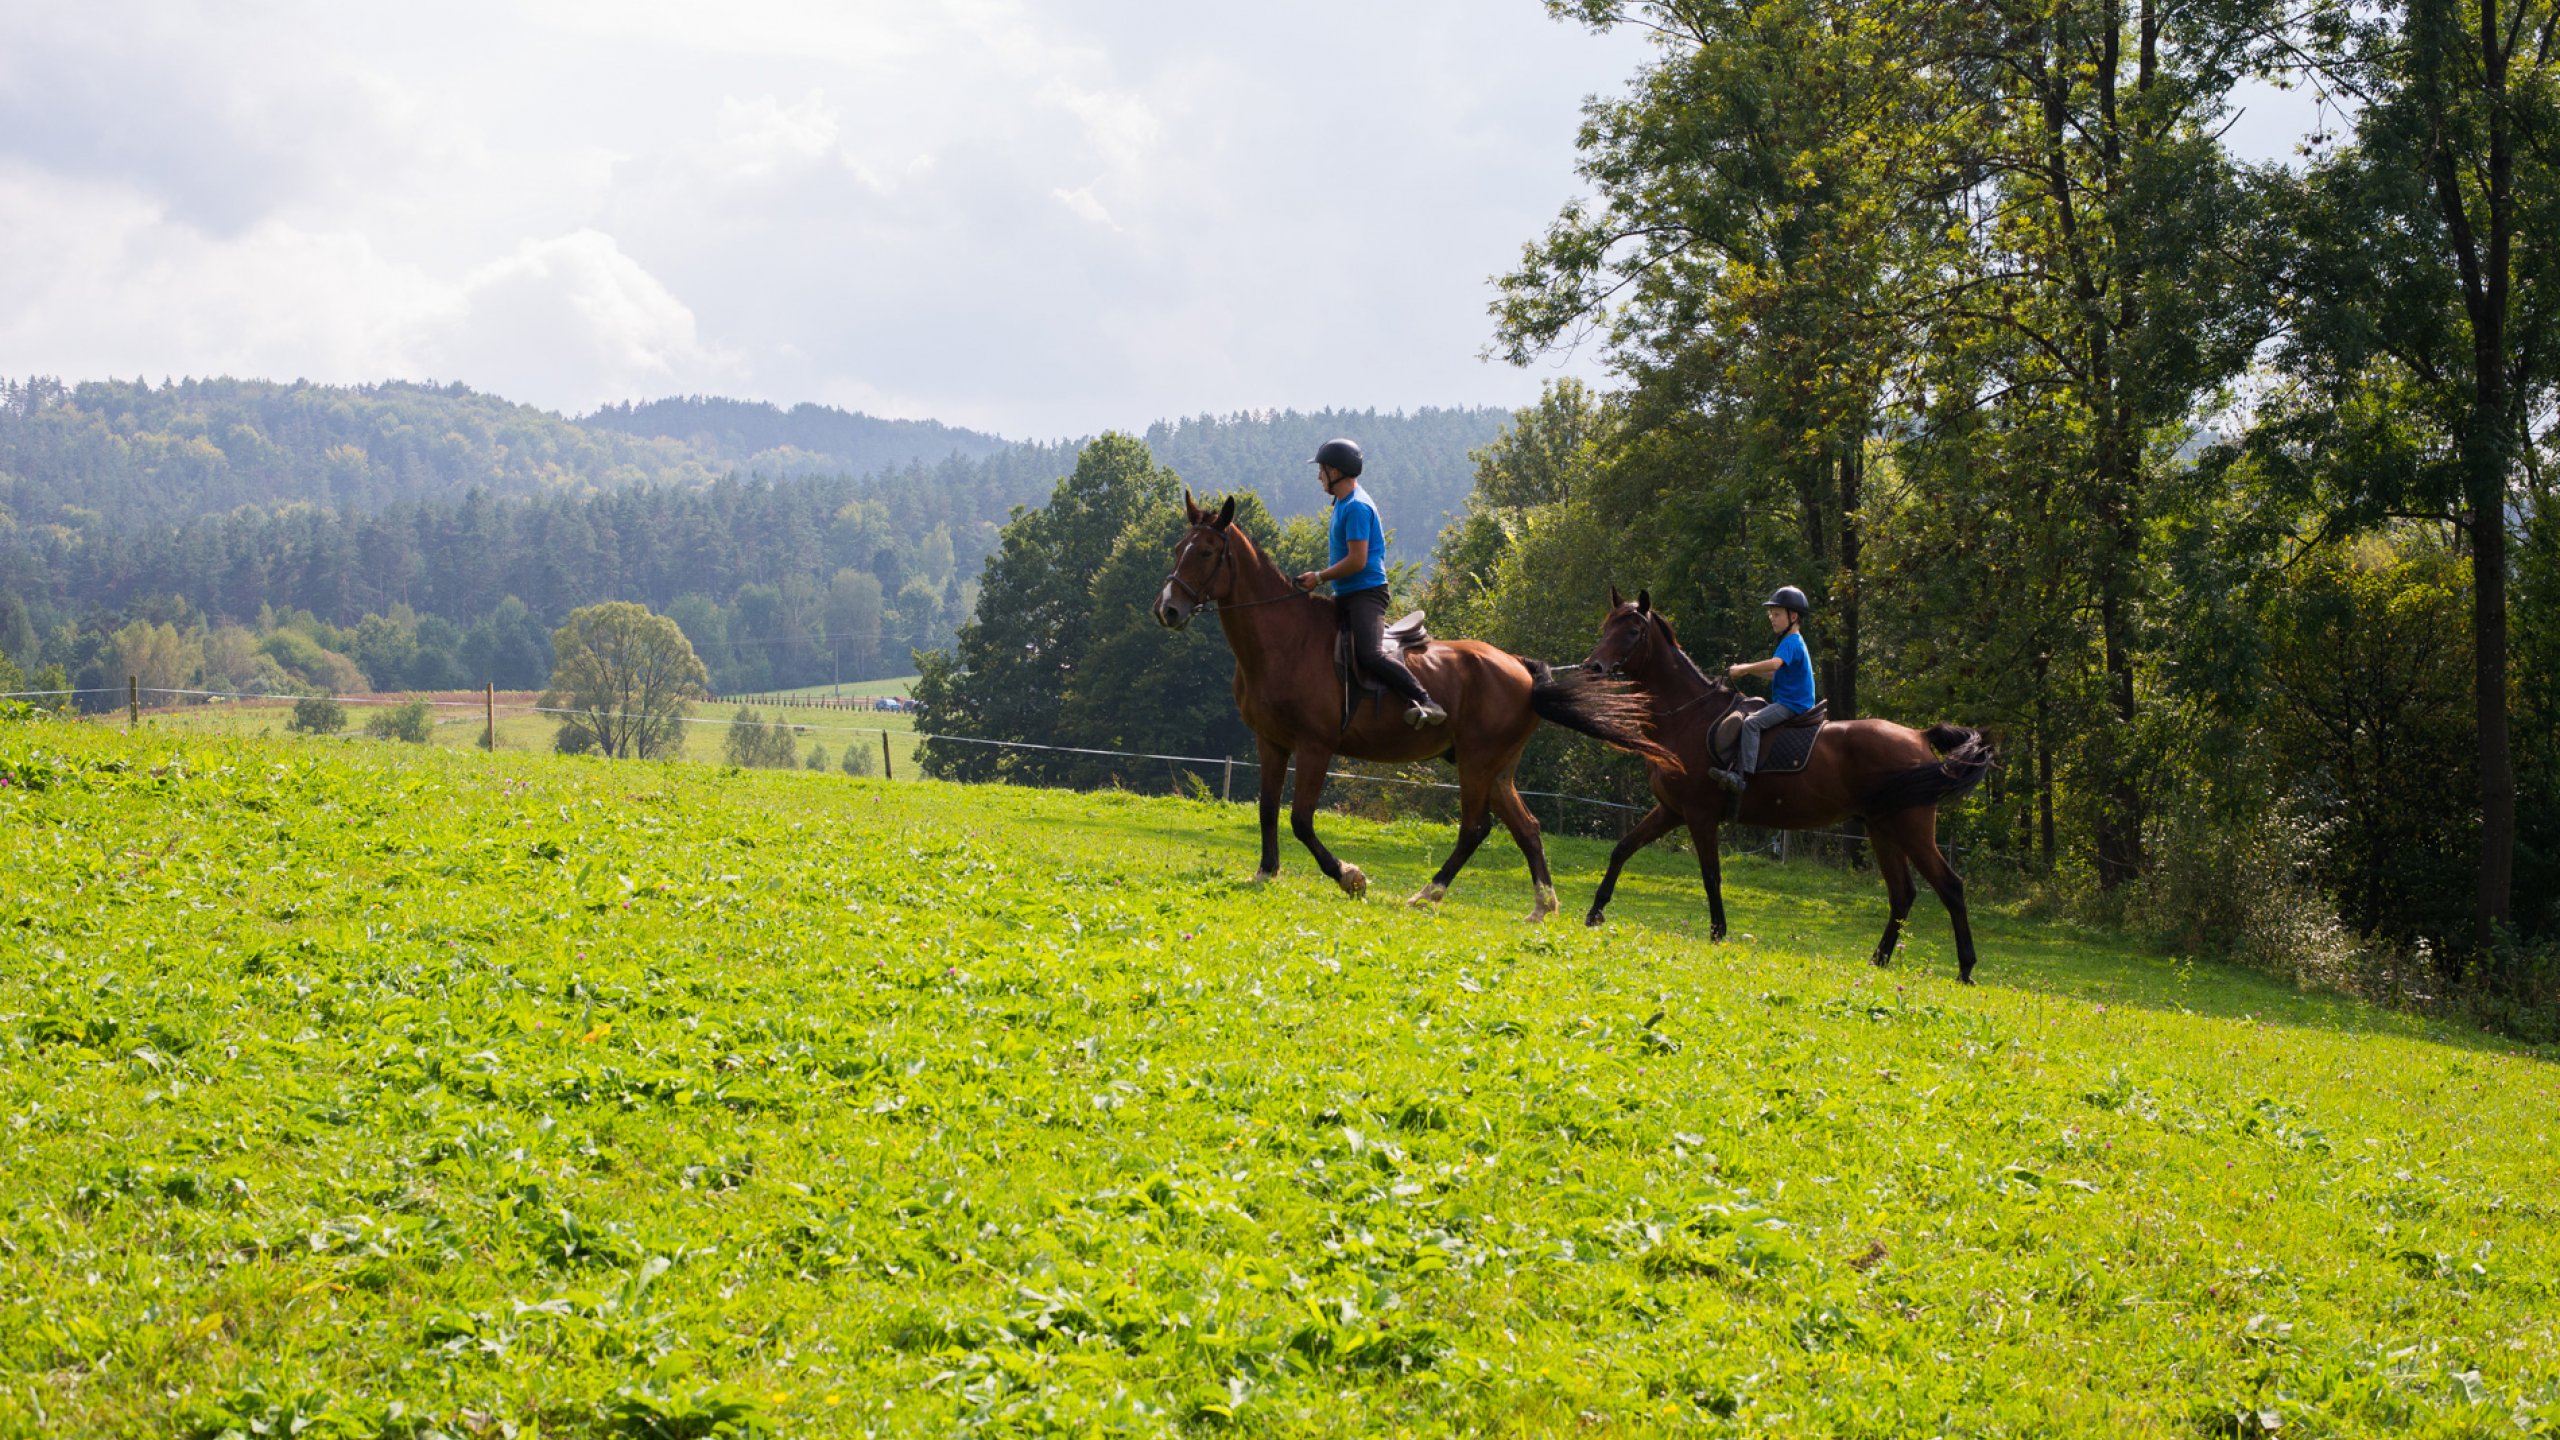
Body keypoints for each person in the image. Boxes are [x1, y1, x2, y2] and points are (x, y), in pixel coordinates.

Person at [1292, 438, 1448, 727]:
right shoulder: (1342, 503)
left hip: (1366, 594)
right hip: (1346, 593)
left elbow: (1357, 561)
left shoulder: (1357, 508)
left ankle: (1427, 701)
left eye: (1322, 470)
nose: (1318, 476)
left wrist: (1319, 577)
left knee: (1370, 654)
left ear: (1336, 471)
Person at [1713, 586, 1815, 791]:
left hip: (1792, 704)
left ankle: (1743, 776)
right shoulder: (1793, 641)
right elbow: (1775, 674)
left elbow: (1775, 664)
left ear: (1793, 616)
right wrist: (1748, 672)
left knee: (1751, 723)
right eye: (1771, 614)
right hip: (1793, 702)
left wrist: (1745, 668)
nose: (1772, 618)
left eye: (1777, 614)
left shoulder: (1791, 641)